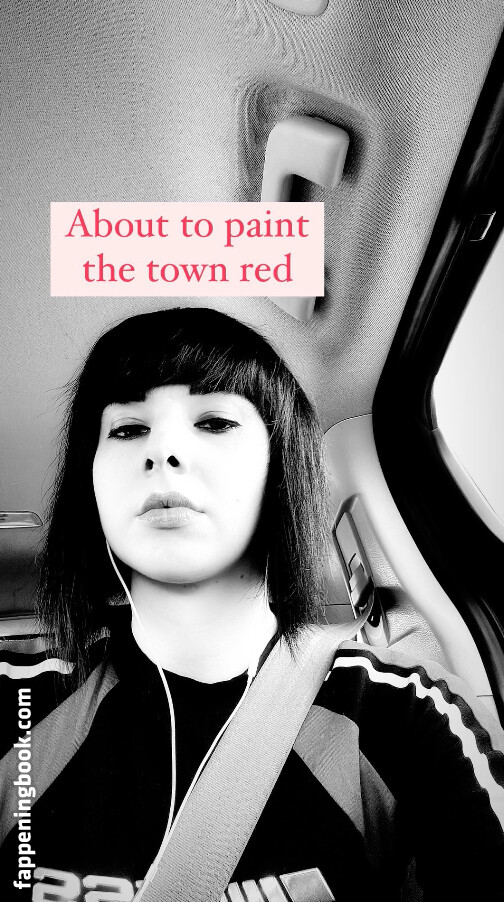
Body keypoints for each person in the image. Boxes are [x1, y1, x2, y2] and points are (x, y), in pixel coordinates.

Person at [0, 307, 503, 902]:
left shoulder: (401, 711)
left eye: (214, 422)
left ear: (281, 466)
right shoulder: (18, 699)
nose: (162, 451)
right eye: (128, 429)